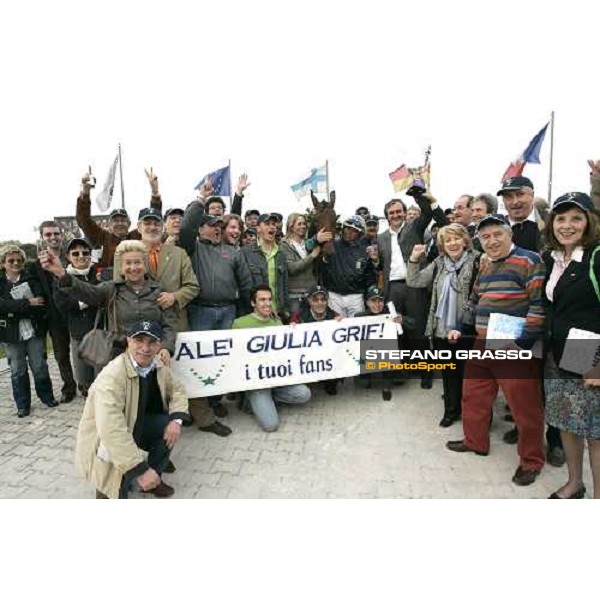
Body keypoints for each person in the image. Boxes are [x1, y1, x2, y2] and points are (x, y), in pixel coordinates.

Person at [445, 214, 546, 486]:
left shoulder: (530, 260)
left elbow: (538, 306)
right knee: (473, 395)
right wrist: (458, 326)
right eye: (485, 236)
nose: (491, 241)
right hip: (482, 340)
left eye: (497, 234)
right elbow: (475, 299)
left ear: (509, 234)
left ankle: (531, 461)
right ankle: (475, 441)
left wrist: (522, 344)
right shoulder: (485, 262)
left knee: (525, 409)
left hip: (513, 342)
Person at [75, 320, 190, 499]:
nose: (145, 348)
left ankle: (154, 479)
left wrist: (176, 420)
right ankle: (107, 487)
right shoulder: (111, 377)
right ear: (128, 341)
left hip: (137, 424)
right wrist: (139, 469)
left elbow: (177, 389)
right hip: (108, 438)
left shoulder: (158, 364)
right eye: (139, 341)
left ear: (159, 344)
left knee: (167, 425)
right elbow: (111, 429)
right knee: (113, 485)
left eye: (152, 342)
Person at [542, 192, 600, 499]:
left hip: (588, 349)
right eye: (560, 218)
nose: (567, 225)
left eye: (576, 217)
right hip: (558, 350)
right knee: (568, 421)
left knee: (596, 432)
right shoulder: (551, 258)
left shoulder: (596, 255)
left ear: (590, 221)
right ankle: (575, 482)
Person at [39, 240, 177, 365]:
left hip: (152, 357)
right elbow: (87, 292)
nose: (133, 267)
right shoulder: (111, 288)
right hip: (120, 358)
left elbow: (169, 325)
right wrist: (62, 274)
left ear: (145, 265)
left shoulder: (159, 290)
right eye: (128, 263)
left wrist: (166, 347)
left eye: (137, 262)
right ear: (121, 267)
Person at [180, 201, 252, 434]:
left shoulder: (232, 251)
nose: (217, 228)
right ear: (200, 230)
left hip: (227, 311)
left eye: (219, 225)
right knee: (200, 363)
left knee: (222, 361)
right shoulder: (193, 248)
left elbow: (246, 282)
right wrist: (201, 200)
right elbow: (186, 226)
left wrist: (253, 306)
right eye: (211, 225)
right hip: (201, 311)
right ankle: (197, 409)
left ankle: (214, 401)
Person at [406, 224, 480, 426]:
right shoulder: (439, 263)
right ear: (442, 245)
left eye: (456, 238)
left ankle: (473, 416)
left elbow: (481, 296)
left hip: (467, 329)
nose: (452, 243)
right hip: (442, 329)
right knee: (449, 373)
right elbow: (415, 281)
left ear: (465, 241)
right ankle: (451, 411)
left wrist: (467, 324)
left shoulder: (478, 261)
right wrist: (414, 258)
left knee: (470, 376)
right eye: (447, 240)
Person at [232, 285, 311, 431]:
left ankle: (269, 399)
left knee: (304, 394)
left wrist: (293, 332)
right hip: (256, 383)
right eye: (262, 300)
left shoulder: (277, 321)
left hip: (277, 378)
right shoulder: (240, 324)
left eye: (269, 300)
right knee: (271, 425)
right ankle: (249, 401)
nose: (267, 303)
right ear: (253, 303)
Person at [0, 244, 58, 417]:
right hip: (11, 335)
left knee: (39, 366)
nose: (16, 263)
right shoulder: (1, 283)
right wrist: (26, 304)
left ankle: (47, 397)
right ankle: (23, 405)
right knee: (18, 369)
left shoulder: (32, 279)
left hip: (33, 331)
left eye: (19, 260)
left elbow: (40, 303)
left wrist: (12, 308)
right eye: (11, 260)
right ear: (3, 263)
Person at [76, 168, 162, 269]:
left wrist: (155, 192)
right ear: (109, 225)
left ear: (129, 223)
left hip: (134, 280)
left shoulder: (137, 236)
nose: (120, 223)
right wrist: (85, 193)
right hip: (108, 283)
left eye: (123, 220)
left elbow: (152, 220)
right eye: (115, 221)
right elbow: (84, 220)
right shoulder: (102, 237)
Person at [36, 220, 77, 403]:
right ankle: (69, 387)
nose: (53, 237)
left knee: (83, 349)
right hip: (54, 316)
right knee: (61, 354)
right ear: (42, 237)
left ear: (62, 235)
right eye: (48, 234)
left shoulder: (74, 256)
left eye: (56, 233)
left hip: (76, 312)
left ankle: (87, 383)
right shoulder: (36, 265)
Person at [53, 238, 99, 397]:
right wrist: (87, 300)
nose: (81, 256)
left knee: (101, 376)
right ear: (68, 256)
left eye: (85, 253)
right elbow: (62, 304)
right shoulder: (62, 277)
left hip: (101, 333)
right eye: (76, 253)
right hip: (79, 333)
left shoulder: (98, 273)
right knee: (84, 377)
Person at [322, 215, 377, 317]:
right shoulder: (332, 245)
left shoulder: (365, 250)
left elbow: (369, 275)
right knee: (336, 327)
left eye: (354, 230)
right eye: (347, 228)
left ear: (360, 233)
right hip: (334, 295)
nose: (349, 232)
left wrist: (371, 293)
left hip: (356, 297)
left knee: (357, 326)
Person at [355, 286, 404, 401]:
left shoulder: (390, 315)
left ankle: (386, 386)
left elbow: (414, 324)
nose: (377, 304)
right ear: (367, 302)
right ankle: (366, 375)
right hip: (367, 352)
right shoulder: (359, 317)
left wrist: (403, 320)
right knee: (362, 383)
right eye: (373, 301)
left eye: (380, 301)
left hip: (384, 352)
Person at [290, 284, 340, 396]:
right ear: (309, 301)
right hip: (307, 356)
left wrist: (342, 323)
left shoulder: (334, 315)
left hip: (327, 355)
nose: (319, 303)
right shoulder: (299, 316)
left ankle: (330, 381)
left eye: (323, 299)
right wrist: (292, 328)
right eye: (315, 299)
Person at [241, 213, 290, 320]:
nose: (272, 227)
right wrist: (260, 307)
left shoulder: (281, 253)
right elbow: (245, 286)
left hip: (278, 314)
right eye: (267, 224)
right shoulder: (245, 252)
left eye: (274, 224)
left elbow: (284, 284)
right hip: (254, 314)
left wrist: (286, 310)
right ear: (258, 229)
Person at [280, 213, 331, 313]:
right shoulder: (284, 245)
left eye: (304, 224)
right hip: (294, 295)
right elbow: (292, 268)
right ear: (291, 226)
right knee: (295, 325)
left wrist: (317, 238)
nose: (303, 226)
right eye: (299, 224)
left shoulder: (308, 243)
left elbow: (312, 242)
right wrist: (312, 256)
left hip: (312, 293)